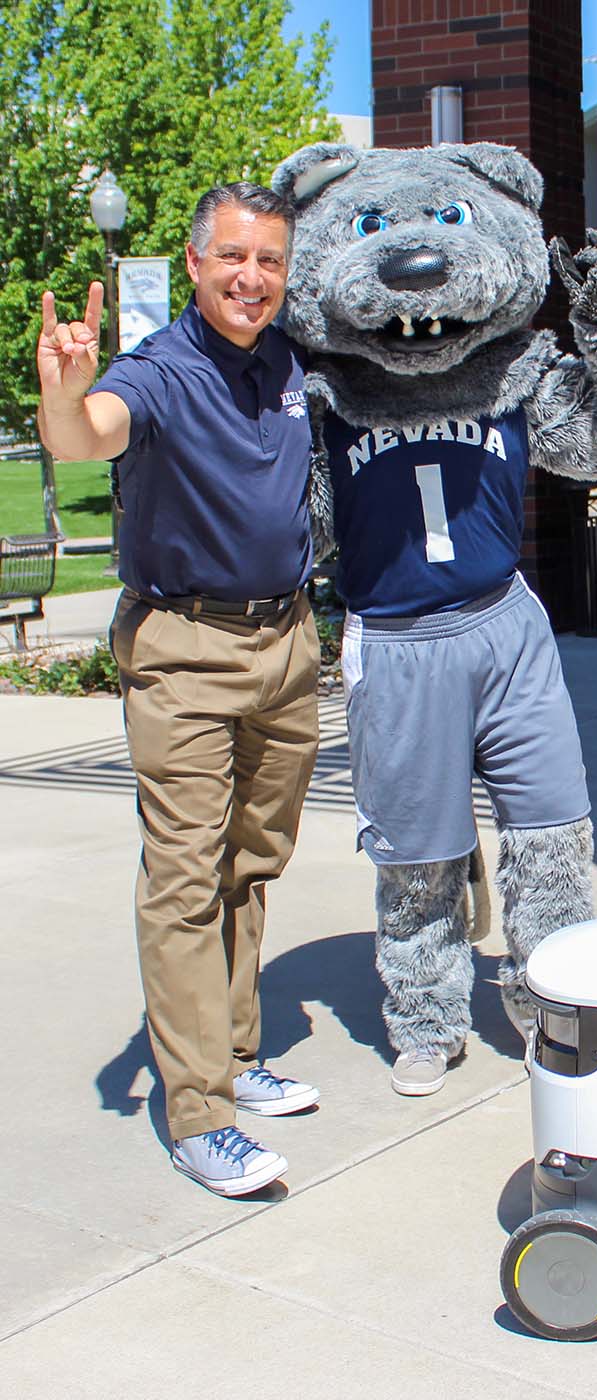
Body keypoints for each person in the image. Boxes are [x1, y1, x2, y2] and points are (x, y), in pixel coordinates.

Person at [37, 182, 323, 1196]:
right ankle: (197, 1110)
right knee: (184, 876)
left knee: (251, 861)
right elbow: (90, 434)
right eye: (234, 257)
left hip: (286, 643)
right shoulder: (156, 368)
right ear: (195, 264)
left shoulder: (288, 362)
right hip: (185, 651)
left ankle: (235, 1054)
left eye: (271, 261)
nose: (252, 278)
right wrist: (66, 393)